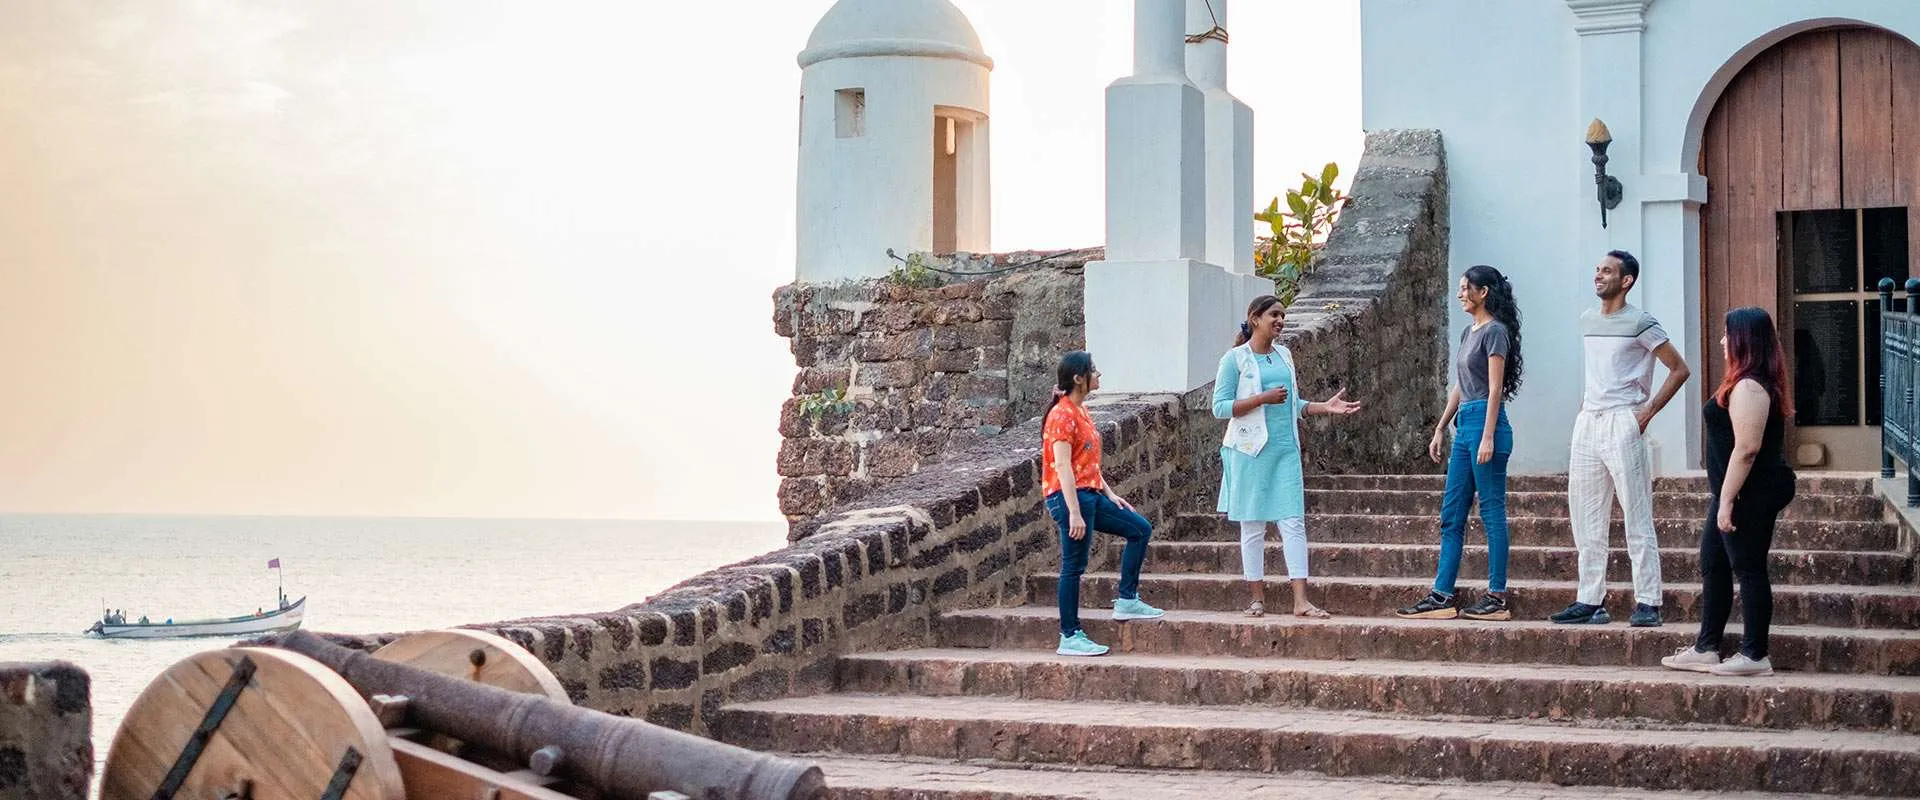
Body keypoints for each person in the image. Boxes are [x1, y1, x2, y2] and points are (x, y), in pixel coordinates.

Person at [1553, 250, 1692, 627]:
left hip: (1623, 421)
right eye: (1597, 269)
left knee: (1636, 512)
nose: (1598, 276)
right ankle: (1590, 599)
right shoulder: (1586, 319)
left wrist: (1646, 413)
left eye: (1607, 271)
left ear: (1626, 280)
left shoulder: (1641, 322)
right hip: (1588, 422)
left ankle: (1648, 601)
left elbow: (1679, 370)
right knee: (1585, 514)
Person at [1662, 307, 1796, 677]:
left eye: (1726, 335)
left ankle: (1755, 655)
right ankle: (1707, 647)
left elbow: (1747, 448)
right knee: (1714, 561)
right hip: (1733, 490)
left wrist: (1726, 501)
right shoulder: (1743, 382)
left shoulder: (1751, 386)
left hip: (1750, 492)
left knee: (1748, 567)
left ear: (1743, 340)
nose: (1721, 341)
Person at [1213, 295, 1364, 618]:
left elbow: (1293, 403)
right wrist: (1261, 398)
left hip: (1285, 449)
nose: (1280, 320)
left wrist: (1324, 407)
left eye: (1283, 315)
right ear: (1255, 318)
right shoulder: (1235, 359)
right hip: (1250, 450)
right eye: (1274, 315)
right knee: (1252, 525)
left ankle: (1301, 600)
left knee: (1293, 522)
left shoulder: (1285, 355)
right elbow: (1220, 407)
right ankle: (1257, 598)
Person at [1398, 265, 1524, 621]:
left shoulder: (1495, 332)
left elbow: (1495, 388)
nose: (1460, 294)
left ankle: (1497, 596)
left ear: (1483, 292)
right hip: (1466, 425)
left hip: (1488, 425)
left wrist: (1487, 436)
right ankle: (1442, 594)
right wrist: (1441, 427)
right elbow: (1461, 385)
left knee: (1492, 512)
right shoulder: (1471, 331)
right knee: (1451, 514)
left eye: (1466, 288)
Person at [1041, 350, 1164, 657]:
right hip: (1072, 498)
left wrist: (1109, 493)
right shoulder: (1061, 415)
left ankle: (1127, 599)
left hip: (1091, 494)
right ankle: (1069, 634)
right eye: (1093, 371)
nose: (1099, 375)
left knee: (1139, 529)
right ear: (1078, 378)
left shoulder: (1080, 411)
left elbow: (1086, 464)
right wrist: (1073, 513)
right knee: (1073, 566)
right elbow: (1063, 467)